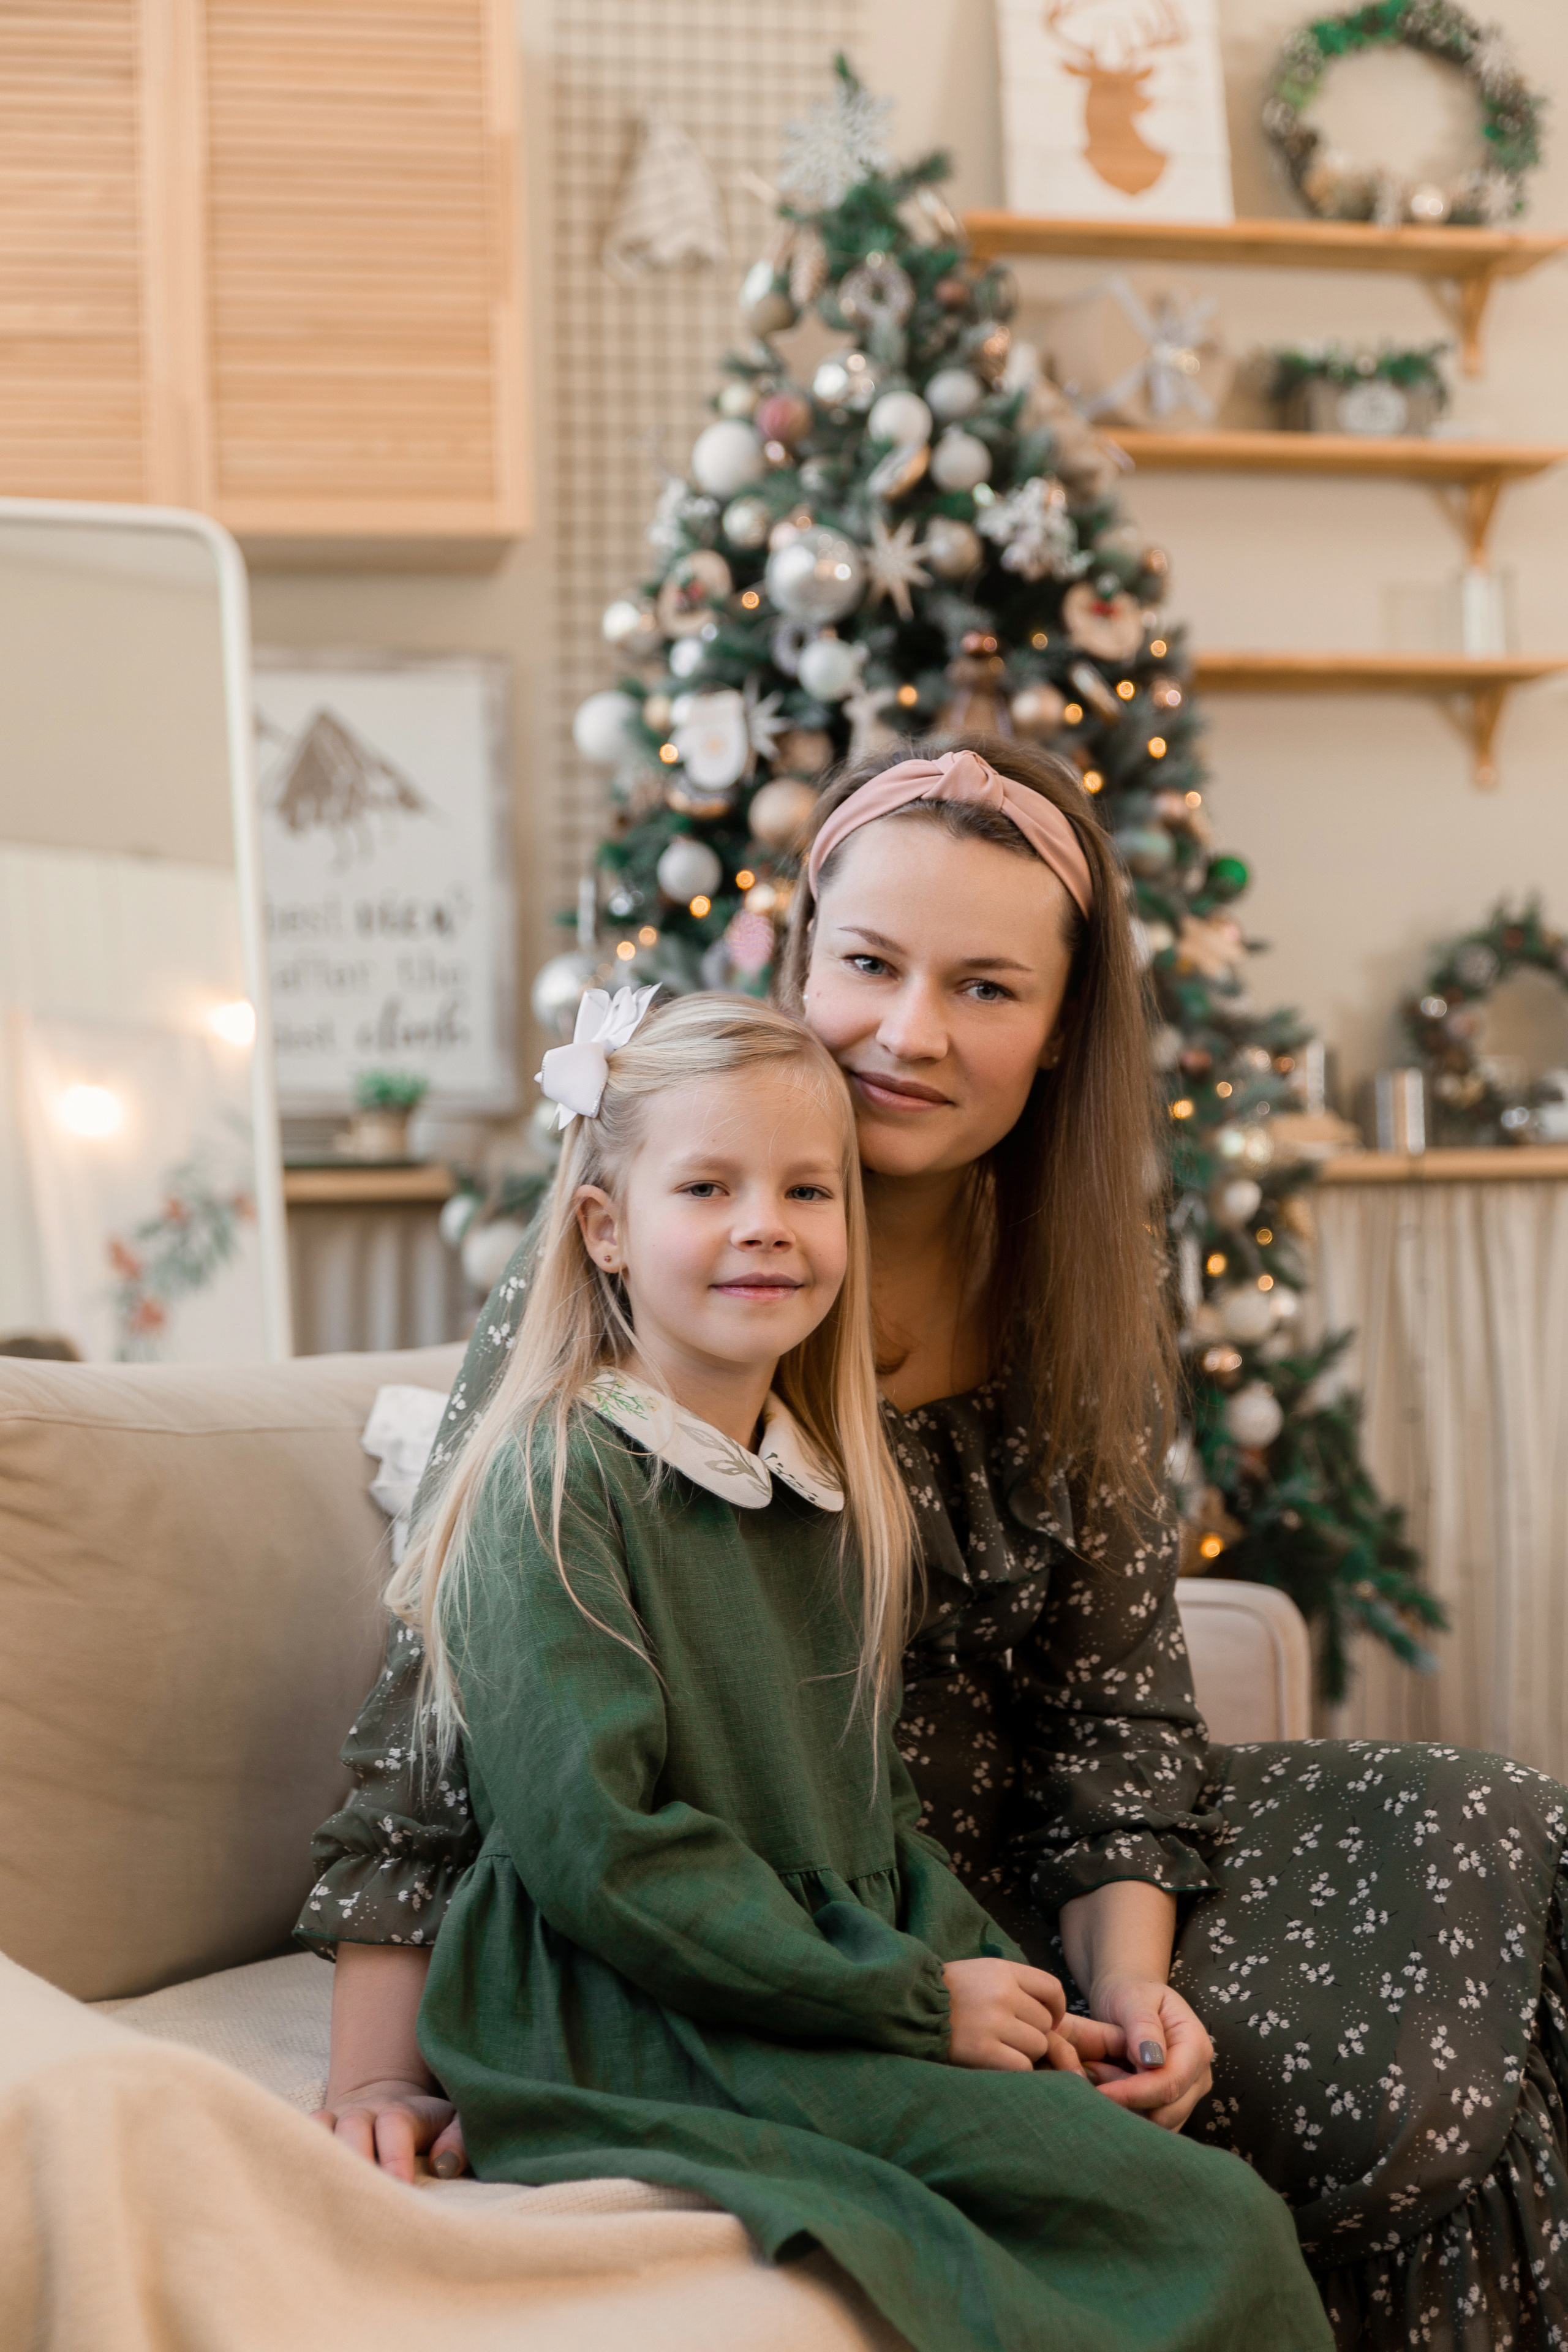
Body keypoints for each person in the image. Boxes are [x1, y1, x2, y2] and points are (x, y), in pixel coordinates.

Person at [303, 741, 1568, 2350]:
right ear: (800, 956)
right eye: (872, 967)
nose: (910, 1034)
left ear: (1055, 1036)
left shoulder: (1077, 1297)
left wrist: (1131, 1987)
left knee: (1485, 1858)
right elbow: (450, 1717)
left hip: (987, 1901)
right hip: (803, 1933)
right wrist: (373, 2070)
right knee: (1356, 2100)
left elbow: (1114, 1714)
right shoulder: (634, 1312)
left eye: (985, 989)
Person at [331, 983, 1330, 2351]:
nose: (766, 1225)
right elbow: (604, 1855)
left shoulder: (817, 1494)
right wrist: (915, 2003)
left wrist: (1005, 1989)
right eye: (707, 1185)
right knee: (1191, 2229)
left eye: (809, 1190)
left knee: (1182, 2191)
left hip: (809, 1979)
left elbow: (872, 1825)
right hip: (628, 2003)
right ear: (604, 1229)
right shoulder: (551, 1486)